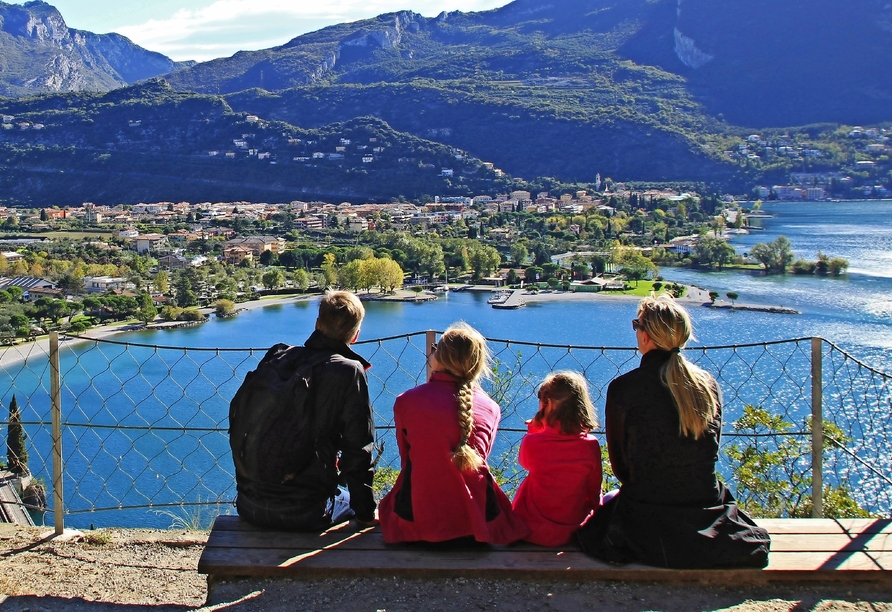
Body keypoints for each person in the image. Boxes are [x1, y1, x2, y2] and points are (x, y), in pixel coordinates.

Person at [577, 295, 770, 568]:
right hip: (704, 505)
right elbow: (709, 450)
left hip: (647, 508)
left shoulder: (624, 388)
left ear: (646, 336)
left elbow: (621, 466)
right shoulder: (707, 386)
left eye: (637, 325)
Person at [234, 290, 377, 531]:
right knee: (348, 500)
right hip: (305, 511)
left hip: (249, 505)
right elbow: (358, 449)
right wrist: (365, 514)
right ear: (355, 336)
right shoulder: (348, 371)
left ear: (318, 323)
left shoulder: (278, 355)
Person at [379, 322, 530, 544]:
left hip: (416, 521)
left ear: (438, 358)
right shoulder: (490, 408)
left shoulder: (407, 401)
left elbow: (407, 462)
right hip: (477, 522)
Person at [512, 371, 602, 546]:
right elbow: (594, 491)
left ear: (549, 404)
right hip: (572, 531)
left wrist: (535, 431)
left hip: (532, 530)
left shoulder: (533, 442)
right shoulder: (590, 445)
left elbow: (525, 463)